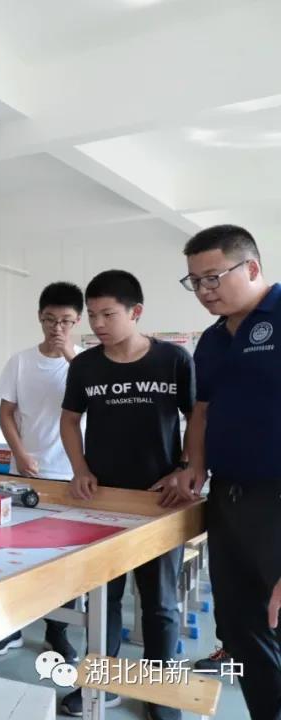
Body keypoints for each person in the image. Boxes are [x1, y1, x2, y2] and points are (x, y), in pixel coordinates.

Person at [58, 270, 193, 720]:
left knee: (160, 603)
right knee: (104, 598)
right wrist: (79, 469)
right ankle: (102, 682)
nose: (97, 324)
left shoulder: (173, 360)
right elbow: (69, 420)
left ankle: (159, 692)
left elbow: (198, 418)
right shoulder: (85, 366)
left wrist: (186, 469)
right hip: (103, 500)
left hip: (160, 501)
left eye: (108, 314)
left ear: (136, 312)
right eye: (92, 315)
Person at [174, 225, 281, 720]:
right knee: (241, 626)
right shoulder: (213, 341)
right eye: (194, 281)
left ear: (252, 268)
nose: (204, 290)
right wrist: (193, 464)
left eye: (213, 277)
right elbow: (202, 410)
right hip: (229, 498)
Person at [0, 282, 83, 660]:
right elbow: (6, 413)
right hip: (24, 472)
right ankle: (11, 628)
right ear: (39, 318)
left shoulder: (86, 362)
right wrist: (20, 453)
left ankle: (58, 632)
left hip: (69, 473)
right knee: (15, 554)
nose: (57, 328)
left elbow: (94, 404)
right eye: (50, 320)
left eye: (65, 321)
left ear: (77, 321)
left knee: (63, 560)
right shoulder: (21, 361)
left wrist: (70, 356)